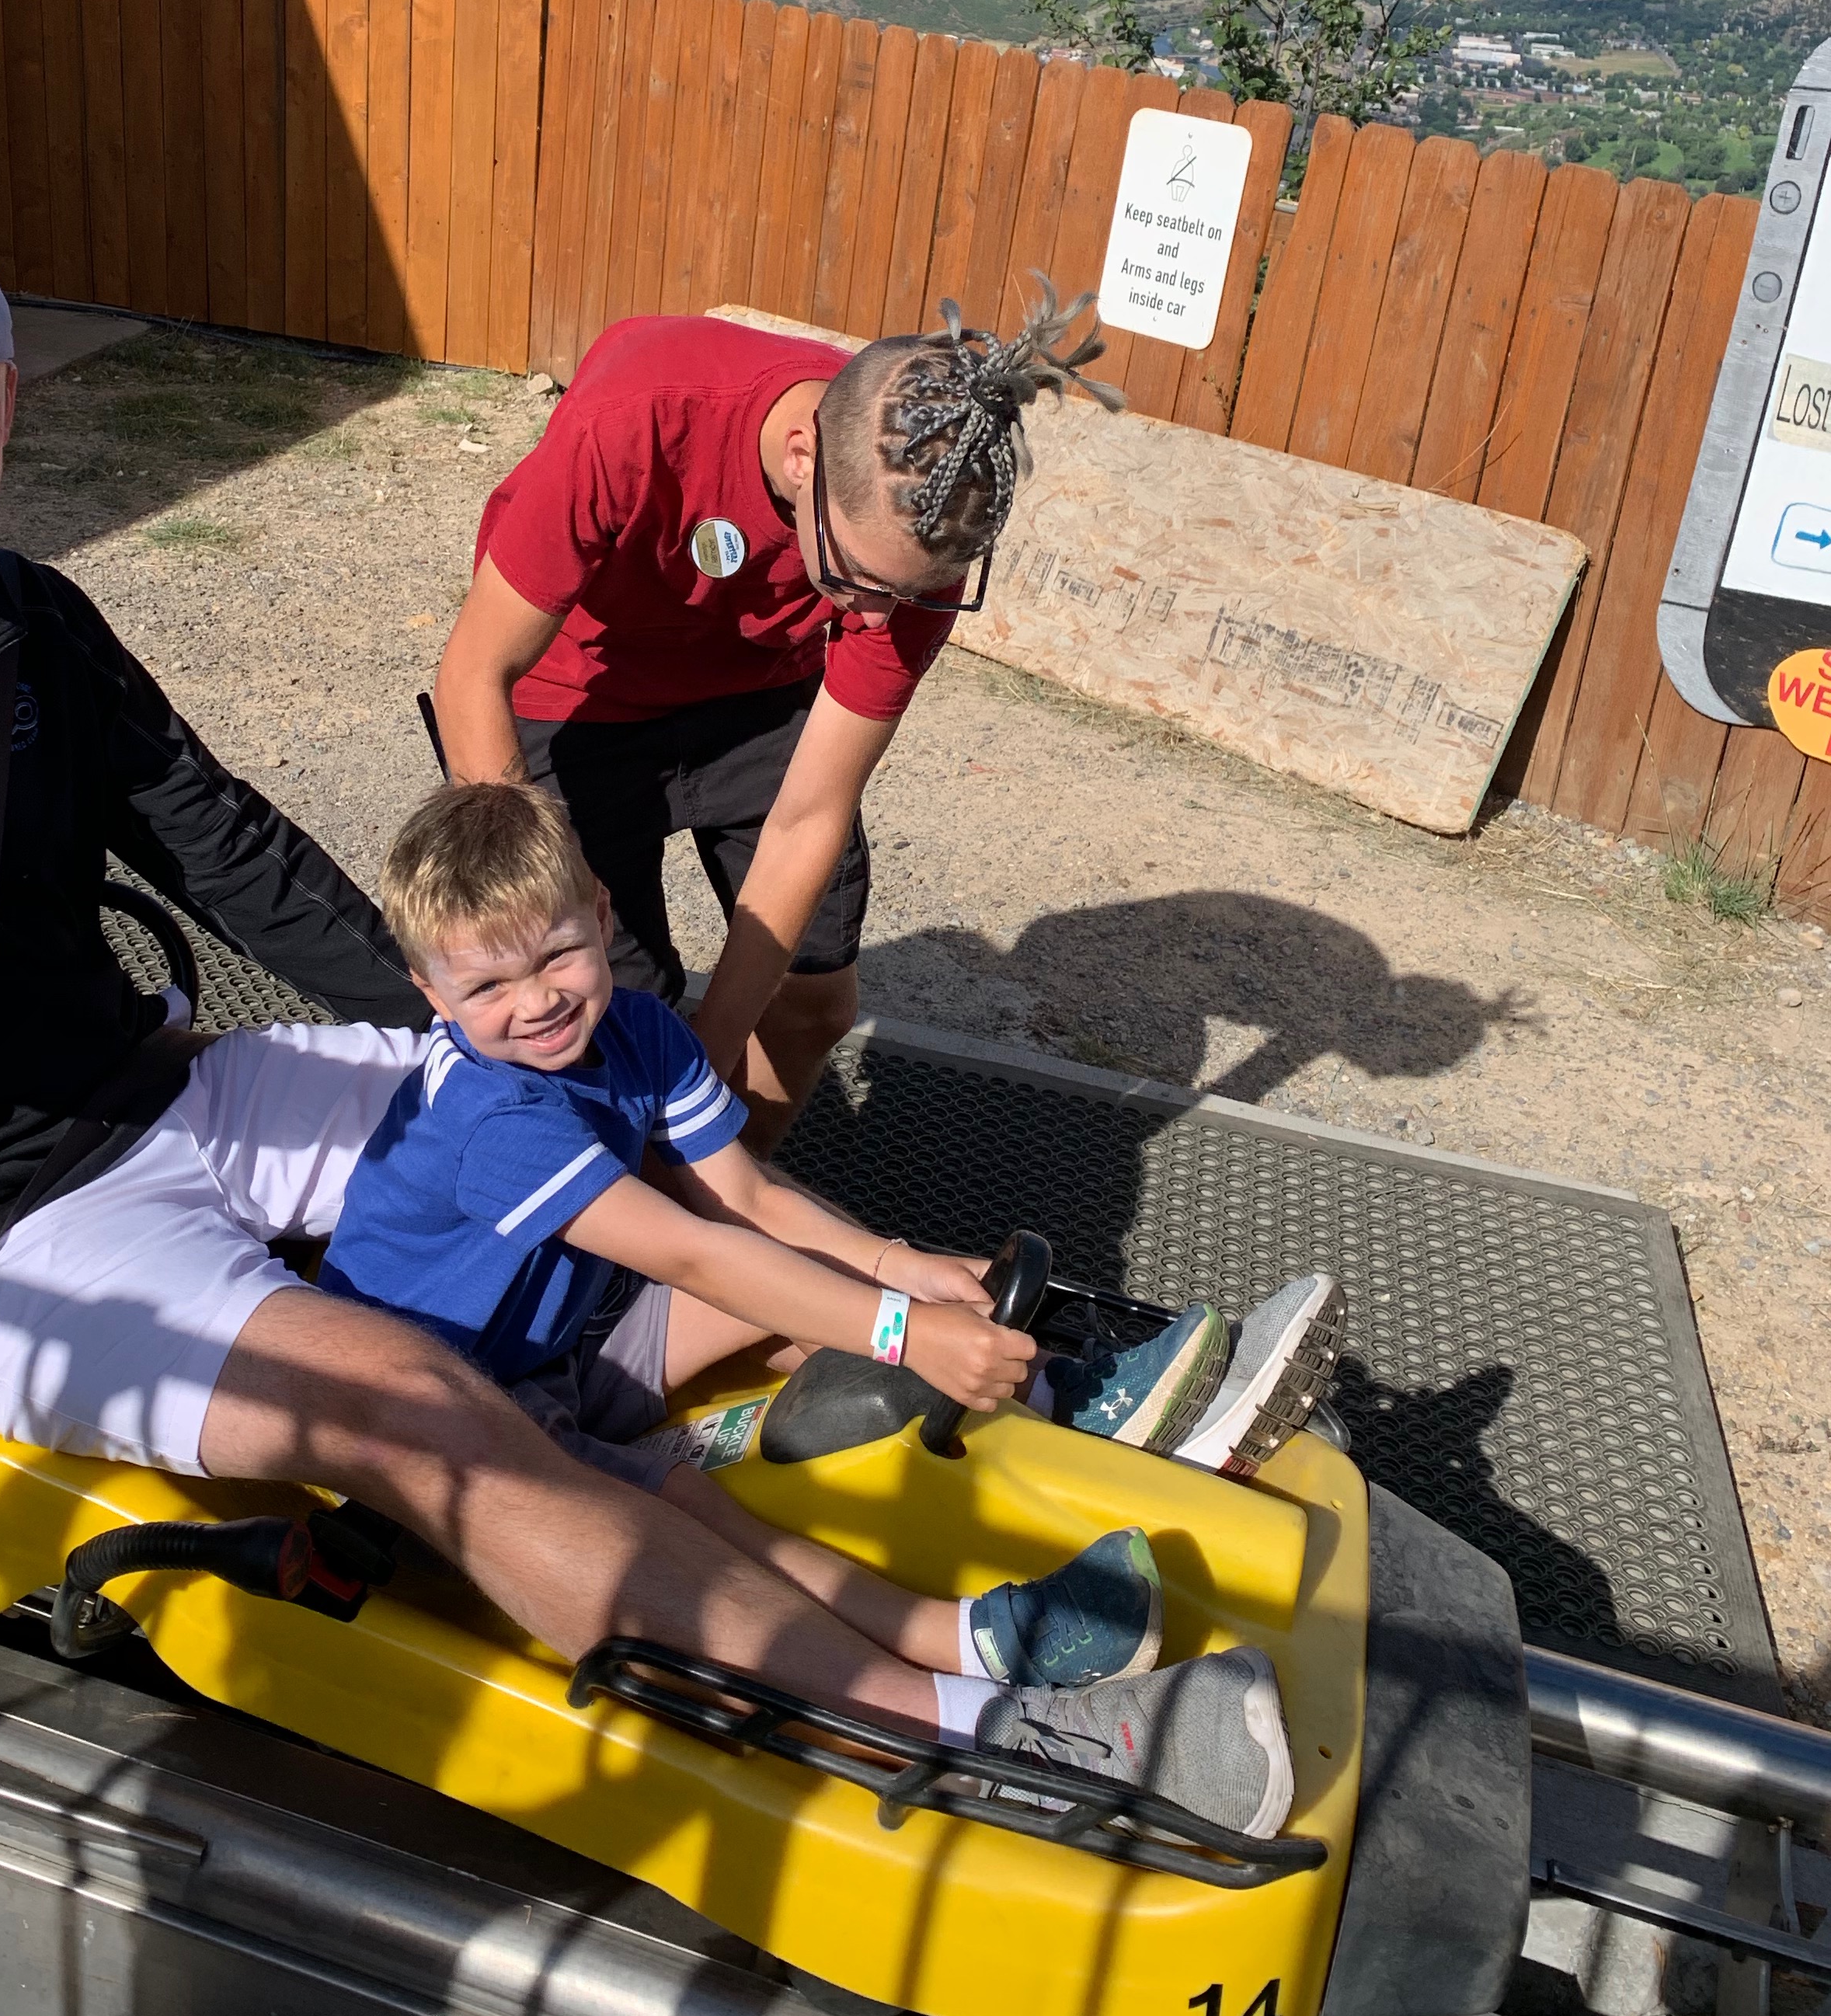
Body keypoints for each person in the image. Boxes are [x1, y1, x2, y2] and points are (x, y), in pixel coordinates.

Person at [0, 206, 1276, 1823]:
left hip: (171, 1095)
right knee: (414, 1402)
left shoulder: (27, 624)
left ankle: (885, 1401)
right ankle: (967, 1724)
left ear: (10, 402)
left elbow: (230, 852)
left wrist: (471, 1011)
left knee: (588, 1104)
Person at [433, 292, 1341, 1474]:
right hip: (574, 696)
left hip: (747, 702)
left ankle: (701, 1226)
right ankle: (690, 1268)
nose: (876, 616)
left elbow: (810, 811)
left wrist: (708, 1061)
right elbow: (472, 675)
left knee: (798, 1012)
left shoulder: (914, 531)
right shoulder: (646, 414)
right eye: (857, 582)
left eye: (910, 598)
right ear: (803, 452)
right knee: (606, 1043)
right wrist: (534, 918)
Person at [321, 776, 1173, 1700]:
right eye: (488, 985)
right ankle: (955, 1645)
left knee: (825, 1283)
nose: (537, 1003)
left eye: (556, 955)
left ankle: (1064, 1398)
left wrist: (907, 1272)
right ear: (431, 992)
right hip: (445, 1417)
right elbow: (698, 1254)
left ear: (601, 917)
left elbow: (749, 1206)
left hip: (559, 1349)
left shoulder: (640, 1030)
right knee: (682, 1502)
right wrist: (901, 1328)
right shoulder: (491, 1117)